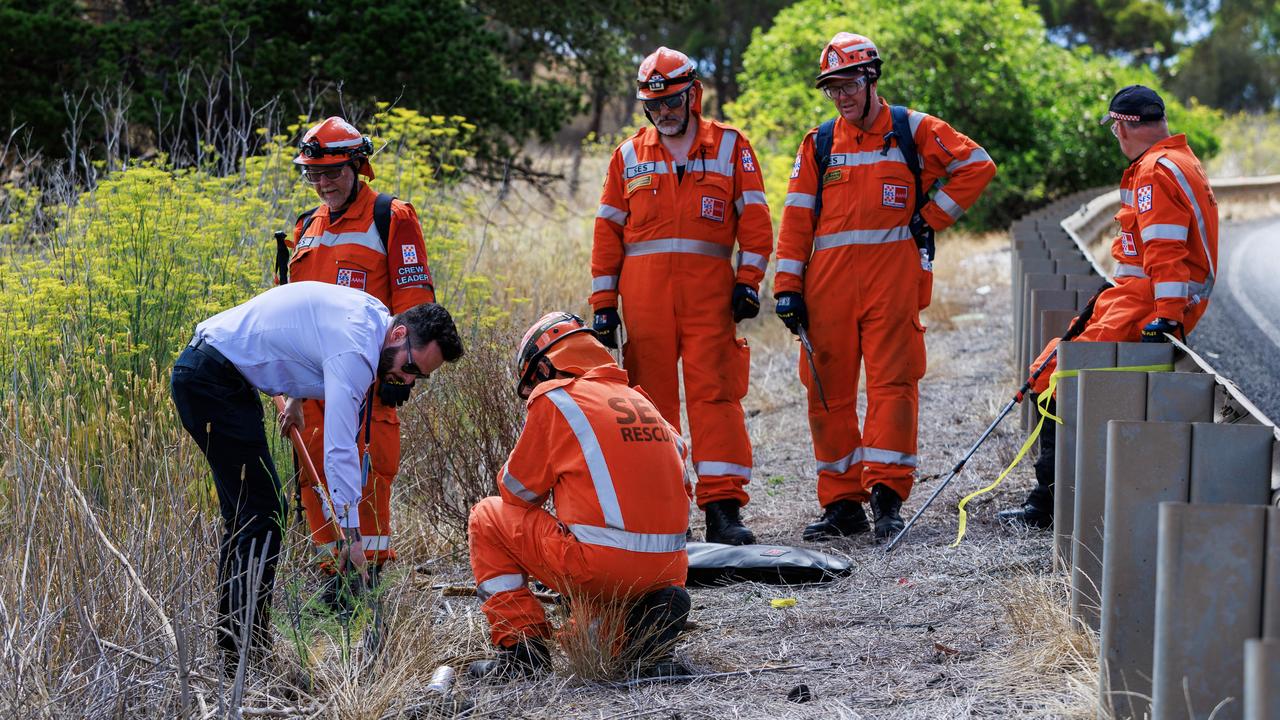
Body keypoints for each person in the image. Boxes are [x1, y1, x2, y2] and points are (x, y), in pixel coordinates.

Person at [170, 282, 463, 669]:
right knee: (261, 515)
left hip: (222, 376)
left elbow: (307, 336)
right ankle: (243, 652)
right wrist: (351, 536)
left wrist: (295, 395)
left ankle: (238, 647)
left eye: (417, 378)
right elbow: (340, 449)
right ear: (399, 333)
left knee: (249, 516)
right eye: (409, 368)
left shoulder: (372, 317)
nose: (406, 381)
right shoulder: (358, 350)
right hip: (210, 380)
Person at [774, 32, 996, 540]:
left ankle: (887, 498)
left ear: (871, 78)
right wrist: (787, 286)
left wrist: (932, 217)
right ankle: (841, 505)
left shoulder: (912, 130)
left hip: (892, 280)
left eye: (849, 83)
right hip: (826, 287)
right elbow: (795, 222)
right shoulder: (819, 143)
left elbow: (976, 164)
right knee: (826, 393)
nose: (842, 96)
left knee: (893, 387)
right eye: (832, 88)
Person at [1000, 85, 1219, 528]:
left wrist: (1167, 316)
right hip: (1139, 298)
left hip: (1147, 304)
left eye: (1114, 127)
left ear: (1123, 125)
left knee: (1058, 379)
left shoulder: (1155, 171)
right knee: (1051, 367)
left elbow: (1165, 250)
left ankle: (1048, 505)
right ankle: (1052, 498)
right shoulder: (1178, 159)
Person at [591, 47, 774, 545]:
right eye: (653, 105)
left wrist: (748, 282)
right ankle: (663, 510)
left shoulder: (731, 147)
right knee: (648, 405)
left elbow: (757, 225)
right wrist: (604, 303)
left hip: (709, 296)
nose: (663, 112)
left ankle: (723, 511)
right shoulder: (627, 156)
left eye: (671, 101)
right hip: (643, 299)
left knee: (715, 394)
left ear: (694, 94)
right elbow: (608, 234)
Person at [467, 312, 691, 680]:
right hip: (670, 568)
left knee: (487, 516)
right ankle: (642, 626)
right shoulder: (642, 402)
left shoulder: (556, 398)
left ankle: (522, 652)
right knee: (580, 639)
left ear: (542, 368)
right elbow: (681, 485)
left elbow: (517, 491)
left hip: (599, 565)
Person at [285, 116, 437, 577]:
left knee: (368, 473)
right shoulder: (306, 226)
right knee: (313, 476)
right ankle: (333, 580)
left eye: (333, 172)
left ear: (358, 166)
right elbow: (289, 309)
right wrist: (288, 387)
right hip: (309, 381)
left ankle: (368, 580)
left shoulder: (390, 217)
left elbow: (415, 304)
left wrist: (397, 375)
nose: (324, 183)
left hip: (364, 381)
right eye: (314, 174)